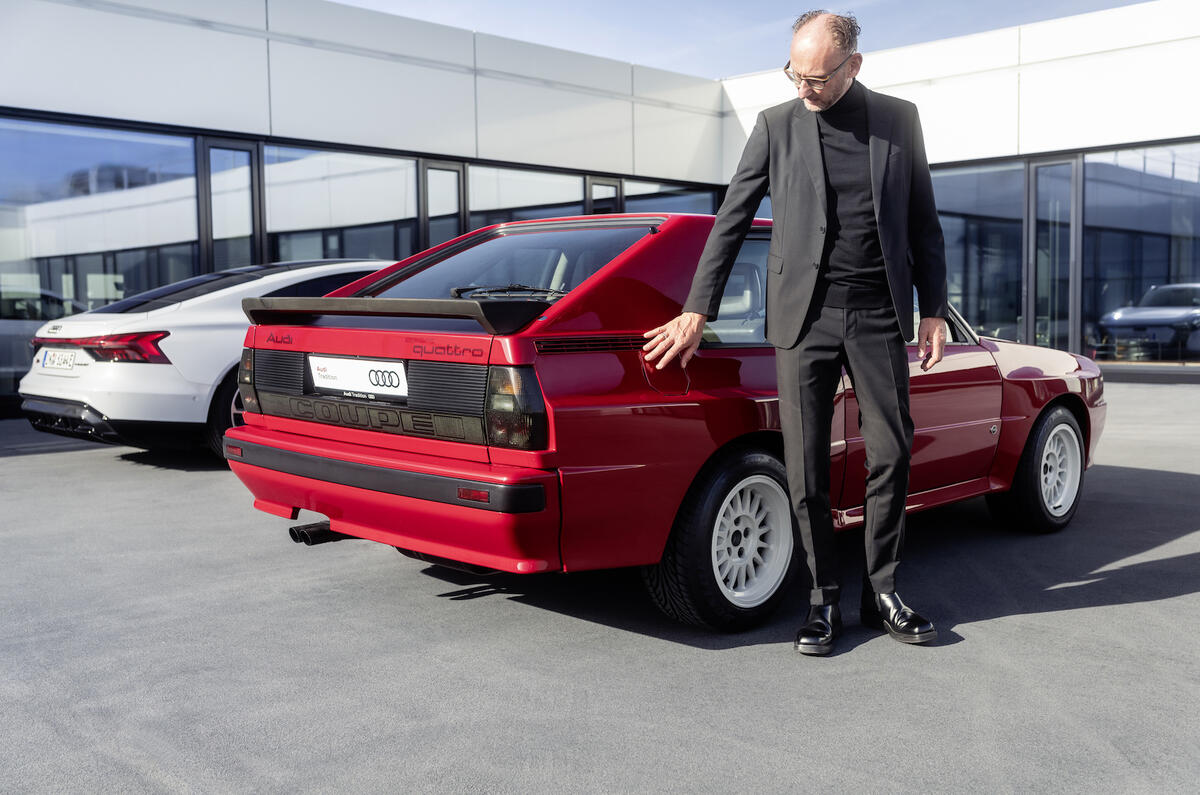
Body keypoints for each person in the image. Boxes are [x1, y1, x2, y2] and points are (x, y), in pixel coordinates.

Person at [643, 10, 950, 655]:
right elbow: (731, 219)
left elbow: (924, 221)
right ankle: (823, 600)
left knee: (892, 452)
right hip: (803, 314)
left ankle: (884, 591)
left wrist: (933, 310)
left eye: (816, 77)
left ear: (853, 66)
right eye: (795, 73)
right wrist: (698, 308)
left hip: (877, 311)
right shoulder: (777, 125)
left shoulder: (899, 120)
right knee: (806, 465)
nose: (803, 87)